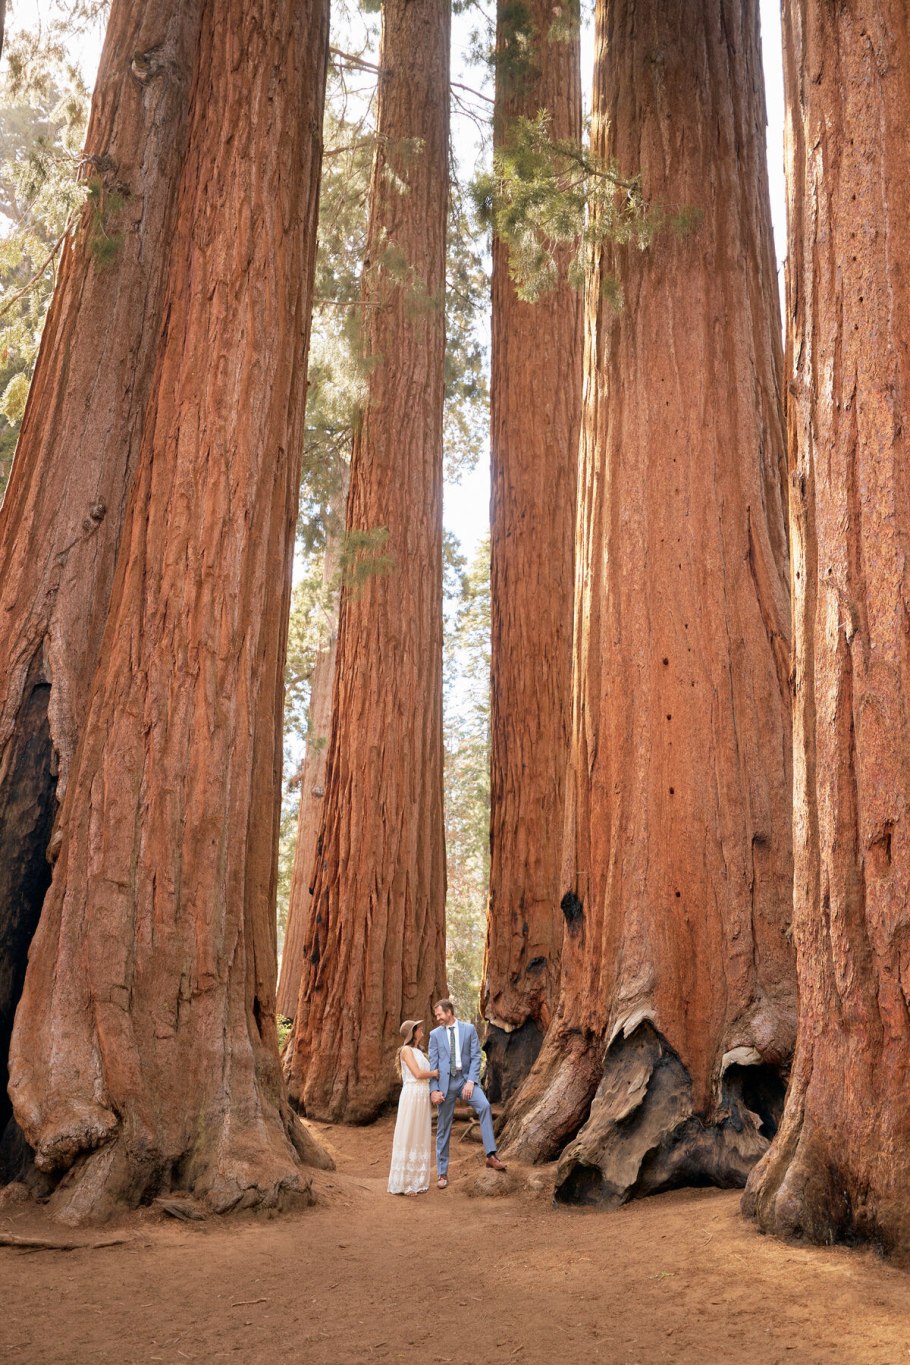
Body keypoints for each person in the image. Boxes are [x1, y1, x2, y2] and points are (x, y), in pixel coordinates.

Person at [428, 998, 506, 1189]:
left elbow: (476, 1056)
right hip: (445, 1085)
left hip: (465, 1080)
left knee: (485, 1106)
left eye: (439, 1014)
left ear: (449, 1012)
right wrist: (434, 1090)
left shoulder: (469, 1029)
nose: (438, 1018)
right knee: (443, 1128)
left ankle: (491, 1155)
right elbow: (433, 1065)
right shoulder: (435, 1035)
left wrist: (471, 1081)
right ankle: (442, 1173)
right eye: (436, 1015)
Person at [388, 1019, 438, 1195]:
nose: (422, 1030)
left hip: (422, 1096)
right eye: (419, 1028)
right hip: (411, 1095)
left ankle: (417, 1180)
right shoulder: (406, 1050)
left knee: (420, 1134)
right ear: (412, 1032)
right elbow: (417, 1073)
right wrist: (435, 1073)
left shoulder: (420, 1052)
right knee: (409, 1133)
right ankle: (405, 1183)